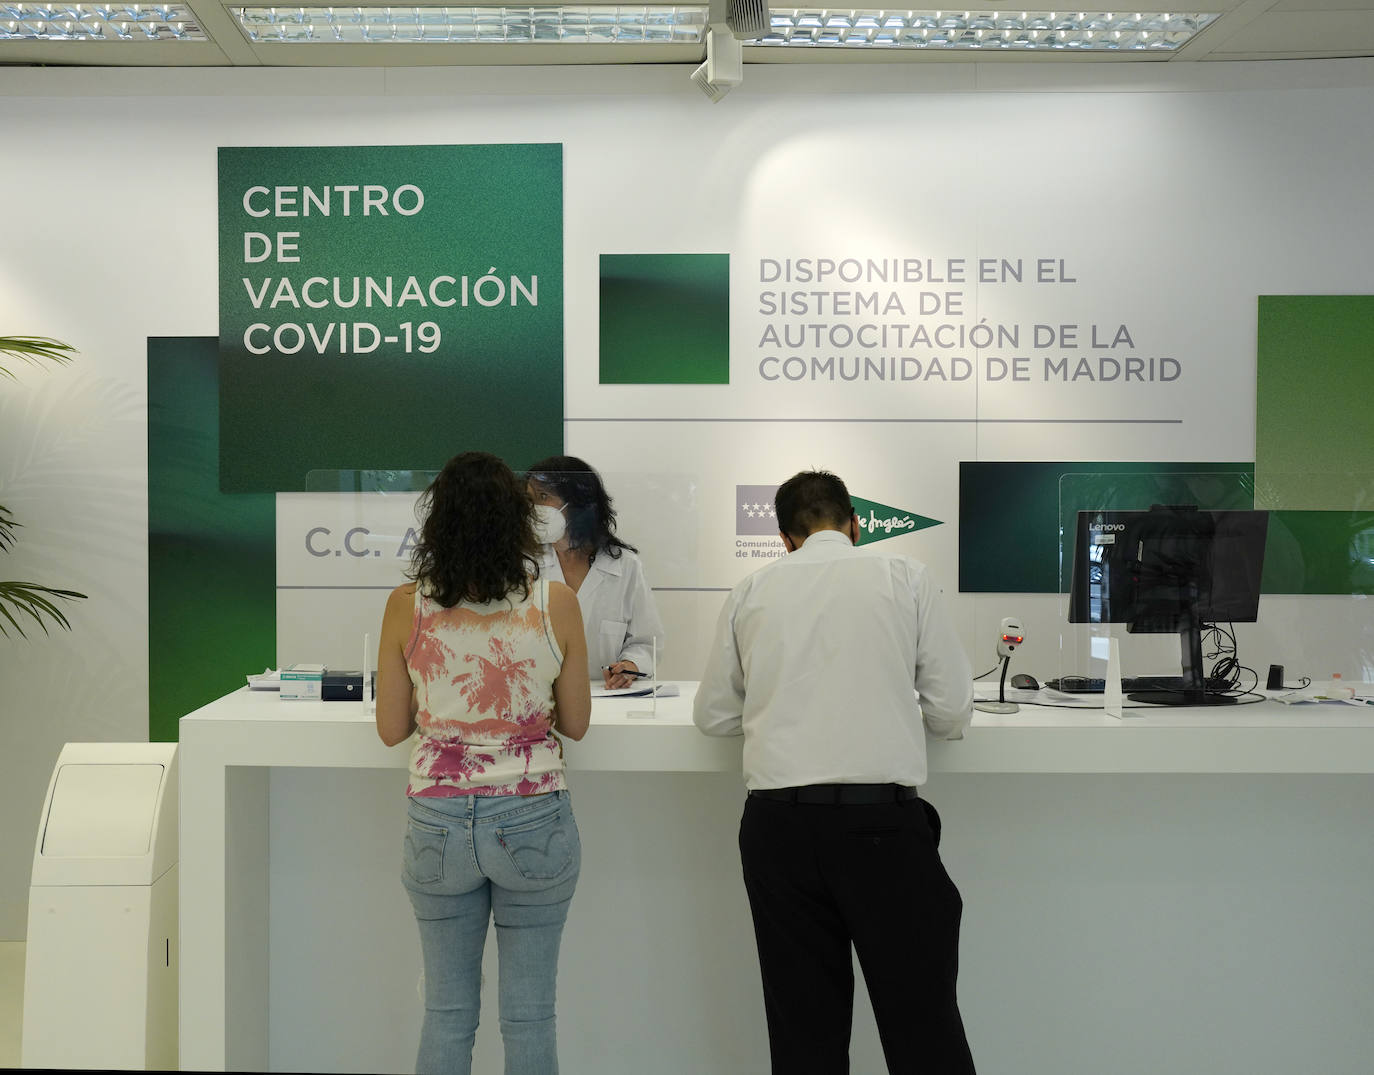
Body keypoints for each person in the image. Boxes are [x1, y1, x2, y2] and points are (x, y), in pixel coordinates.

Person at [692, 469, 977, 1075]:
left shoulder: (752, 590)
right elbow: (952, 711)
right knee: (922, 1022)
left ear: (784, 537)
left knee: (804, 1034)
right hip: (882, 825)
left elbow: (714, 717)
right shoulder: (906, 578)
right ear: (854, 524)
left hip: (779, 830)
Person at [374, 451, 592, 1075]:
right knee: (529, 1018)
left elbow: (393, 729)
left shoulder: (405, 606)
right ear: (519, 524)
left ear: (438, 524)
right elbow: (575, 723)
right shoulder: (556, 604)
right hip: (532, 818)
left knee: (446, 1014)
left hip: (438, 823)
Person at [526, 455, 665, 689]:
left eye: (543, 497)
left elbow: (645, 642)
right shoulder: (525, 564)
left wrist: (630, 665)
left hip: (606, 699)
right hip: (536, 699)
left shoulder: (625, 566)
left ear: (578, 505)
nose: (533, 508)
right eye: (529, 499)